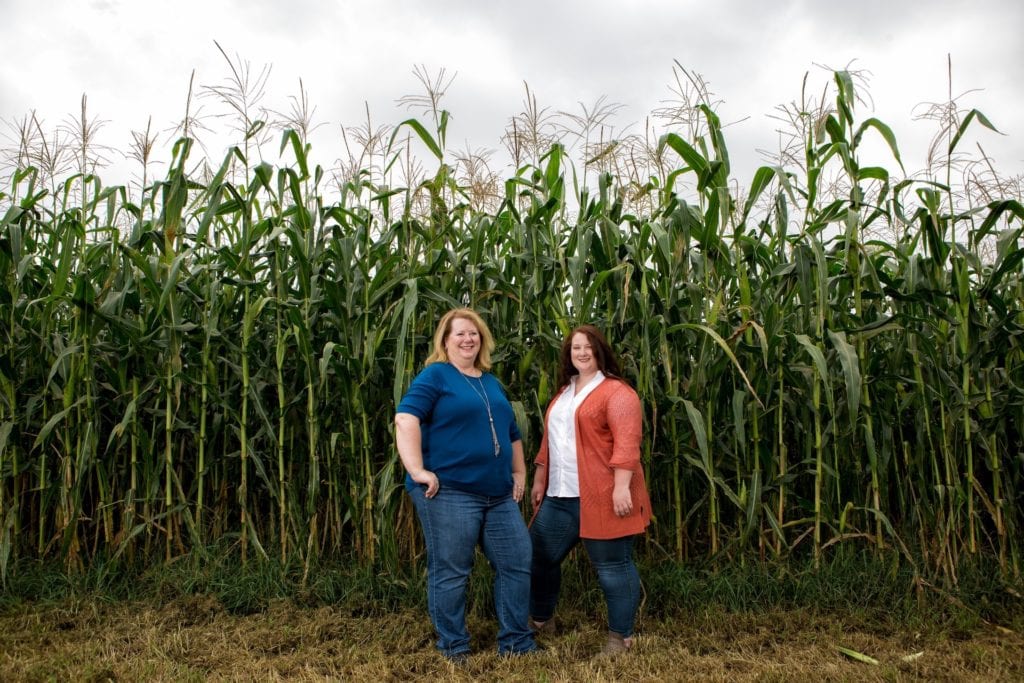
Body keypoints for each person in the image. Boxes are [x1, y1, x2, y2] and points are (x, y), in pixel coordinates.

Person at [394, 307, 538, 662]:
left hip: (498, 494)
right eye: (459, 333)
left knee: (517, 559)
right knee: (453, 569)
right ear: (445, 340)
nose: (467, 339)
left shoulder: (490, 381)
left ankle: (516, 642)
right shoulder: (436, 376)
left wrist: (519, 474)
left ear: (482, 339)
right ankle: (454, 646)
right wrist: (417, 470)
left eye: (473, 333)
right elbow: (405, 418)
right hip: (451, 491)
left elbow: (512, 432)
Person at [528, 324, 651, 657]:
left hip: (604, 493)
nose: (581, 353)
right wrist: (540, 477)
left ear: (599, 351)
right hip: (560, 494)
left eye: (588, 347)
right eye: (575, 348)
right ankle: (541, 620)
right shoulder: (564, 392)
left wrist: (622, 487)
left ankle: (620, 639)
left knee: (612, 568)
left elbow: (628, 443)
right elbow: (550, 440)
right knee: (539, 556)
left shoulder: (617, 392)